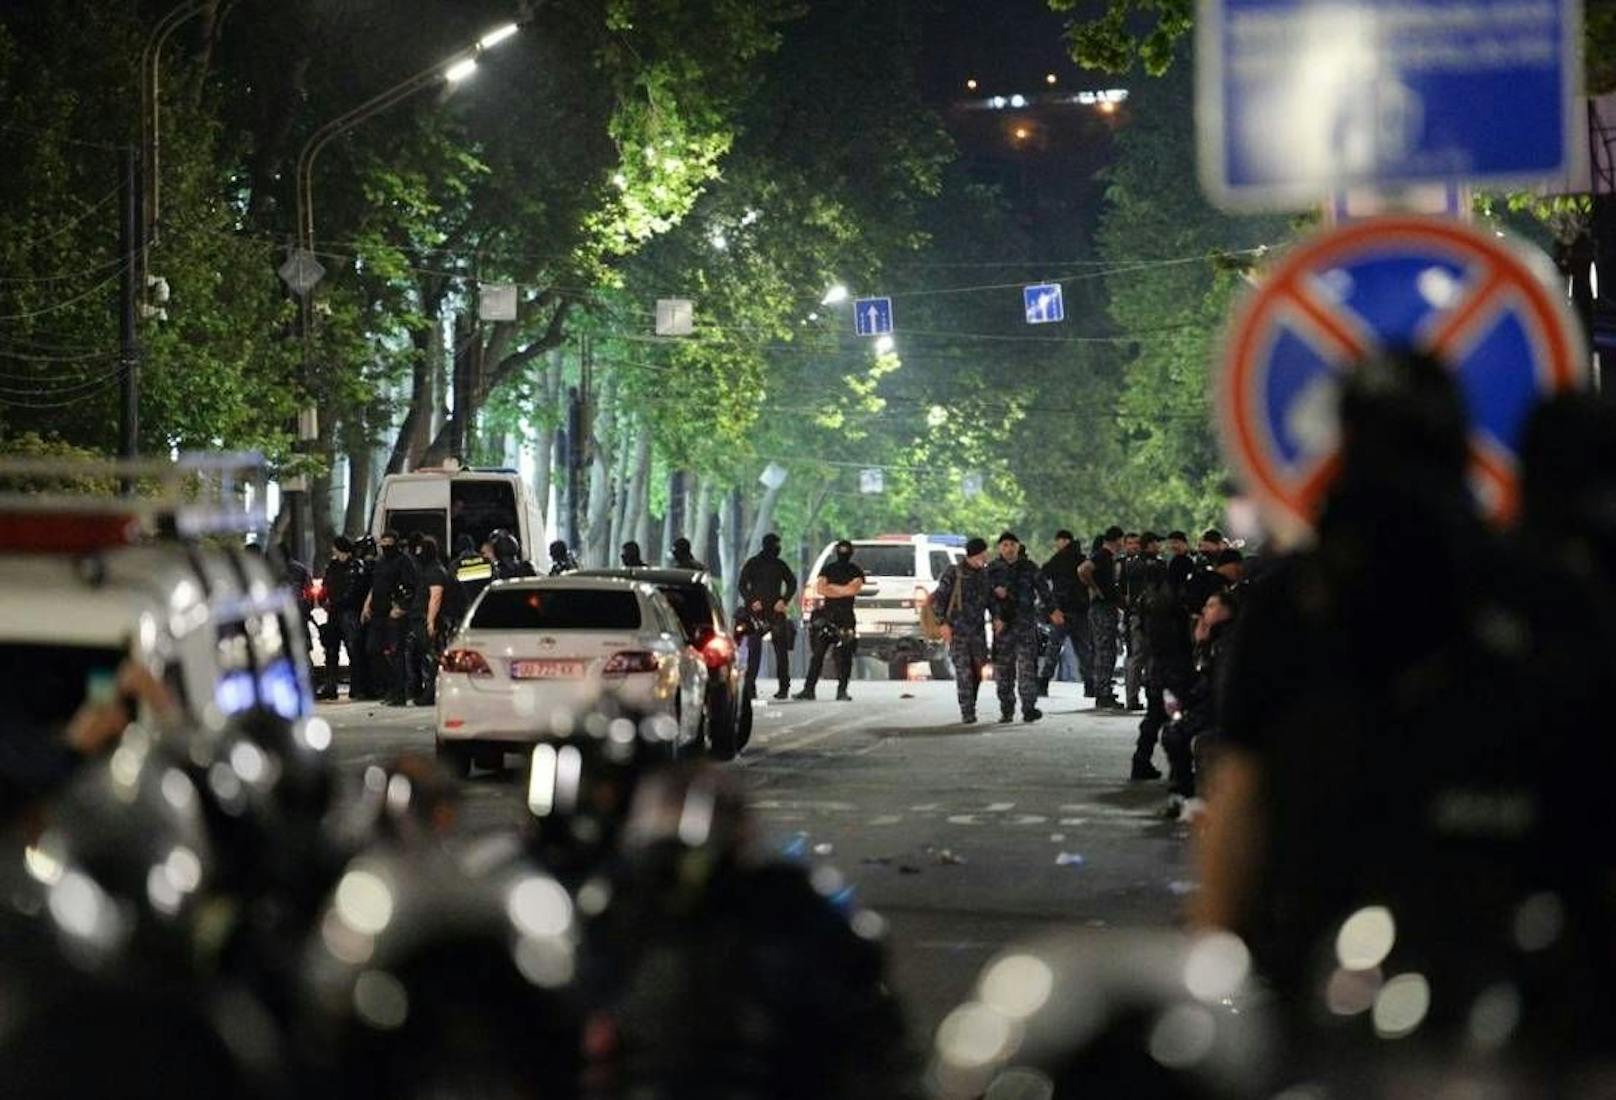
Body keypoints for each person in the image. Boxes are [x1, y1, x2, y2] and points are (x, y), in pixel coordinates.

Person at [1195, 351, 1616, 1067]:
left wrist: (1212, 979)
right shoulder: (1539, 594)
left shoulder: (1293, 603)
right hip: (1490, 999)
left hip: (1379, 997)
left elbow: (1238, 801)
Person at [986, 531, 1061, 723]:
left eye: (1012, 544)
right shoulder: (992, 569)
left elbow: (1043, 589)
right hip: (1003, 628)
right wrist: (995, 616)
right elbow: (984, 596)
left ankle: (1029, 707)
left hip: (1026, 625)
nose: (1009, 548)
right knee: (1004, 671)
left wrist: (1053, 610)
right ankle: (1007, 709)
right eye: (1004, 545)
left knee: (1027, 669)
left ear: (1018, 546)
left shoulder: (1029, 567)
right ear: (999, 548)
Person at [930, 537, 993, 723]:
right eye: (982, 553)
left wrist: (997, 617)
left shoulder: (984, 574)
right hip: (957, 631)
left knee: (976, 671)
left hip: (978, 632)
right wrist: (942, 623)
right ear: (974, 554)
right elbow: (939, 600)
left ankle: (970, 702)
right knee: (963, 671)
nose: (985, 556)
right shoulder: (954, 573)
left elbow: (990, 600)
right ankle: (967, 711)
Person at [795, 539, 863, 702]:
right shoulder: (828, 569)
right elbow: (820, 588)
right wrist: (843, 590)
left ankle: (842, 690)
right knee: (818, 654)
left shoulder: (855, 570)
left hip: (846, 619)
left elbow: (853, 589)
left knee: (845, 655)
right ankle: (809, 689)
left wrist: (832, 589)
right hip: (828, 617)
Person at [739, 533, 798, 701]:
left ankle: (783, 687)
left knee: (781, 650)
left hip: (776, 611)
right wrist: (751, 601)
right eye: (775, 545)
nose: (777, 548)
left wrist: (784, 600)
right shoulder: (753, 563)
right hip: (756, 612)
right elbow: (741, 585)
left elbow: (792, 582)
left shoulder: (780, 565)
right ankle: (750, 687)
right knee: (754, 650)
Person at [361, 529, 417, 706]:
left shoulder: (403, 561)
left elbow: (410, 587)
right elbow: (376, 585)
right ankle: (391, 687)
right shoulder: (381, 562)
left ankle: (399, 693)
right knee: (373, 649)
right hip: (378, 612)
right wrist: (367, 605)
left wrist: (401, 607)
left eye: (388, 542)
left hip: (394, 614)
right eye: (382, 541)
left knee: (396, 653)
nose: (384, 545)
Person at [1037, 530, 1087, 697]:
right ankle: (1091, 684)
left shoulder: (1058, 559)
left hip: (1062, 611)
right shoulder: (1081, 558)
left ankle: (1043, 683)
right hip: (1080, 610)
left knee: (1054, 647)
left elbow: (1043, 574)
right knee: (1083, 649)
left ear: (1062, 541)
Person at [1081, 526, 1125, 710]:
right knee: (1105, 651)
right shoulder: (1103, 555)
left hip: (1105, 608)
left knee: (1106, 651)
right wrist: (1096, 589)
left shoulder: (1106, 557)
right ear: (1118, 540)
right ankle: (1102, 692)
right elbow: (1083, 570)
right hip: (1102, 609)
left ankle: (1103, 689)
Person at [316, 536, 363, 701]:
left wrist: (336, 602)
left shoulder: (355, 566)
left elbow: (354, 590)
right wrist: (324, 601)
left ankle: (356, 687)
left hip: (348, 612)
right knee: (331, 650)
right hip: (335, 612)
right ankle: (331, 687)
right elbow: (326, 586)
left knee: (353, 650)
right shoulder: (333, 566)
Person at [1121, 531, 1162, 711]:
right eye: (1155, 543)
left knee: (1136, 657)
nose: (1158, 546)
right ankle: (1150, 697)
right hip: (1149, 616)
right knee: (1146, 657)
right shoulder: (1155, 565)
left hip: (1136, 615)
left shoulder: (1131, 564)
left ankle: (1132, 698)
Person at [406, 537, 448, 706]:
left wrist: (430, 621)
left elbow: (435, 597)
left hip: (426, 620)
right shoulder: (429, 569)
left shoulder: (435, 571)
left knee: (430, 659)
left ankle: (429, 694)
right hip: (421, 618)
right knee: (421, 657)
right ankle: (422, 692)